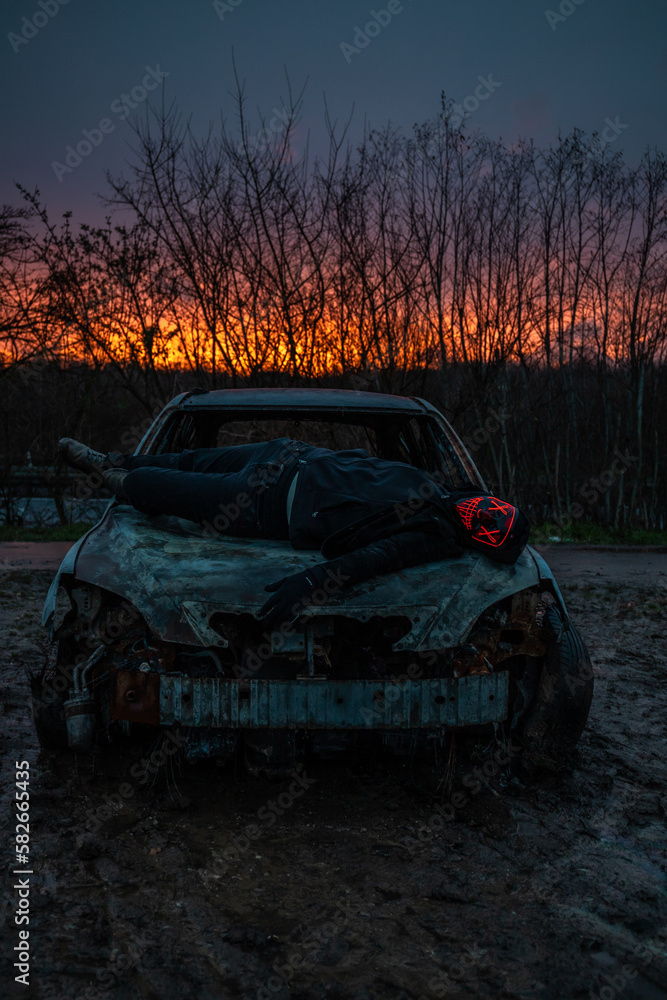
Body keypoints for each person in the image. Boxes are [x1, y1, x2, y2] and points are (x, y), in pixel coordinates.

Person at [58, 436, 530, 630]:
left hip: (264, 502)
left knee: (165, 489)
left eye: (490, 529)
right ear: (494, 497)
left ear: (478, 543)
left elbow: (379, 557)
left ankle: (114, 477)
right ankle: (118, 459)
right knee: (184, 460)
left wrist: (312, 582)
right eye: (496, 509)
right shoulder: (444, 487)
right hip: (285, 452)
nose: (484, 515)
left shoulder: (434, 534)